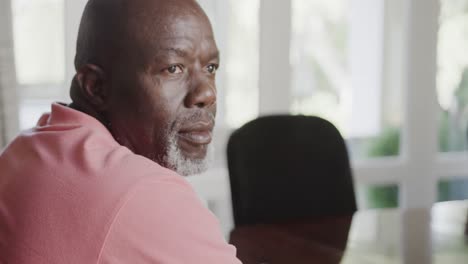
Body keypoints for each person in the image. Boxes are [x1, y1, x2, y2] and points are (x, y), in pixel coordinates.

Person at [0, 0, 242, 263]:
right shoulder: (147, 193)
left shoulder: (20, 152)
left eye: (210, 68)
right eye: (173, 68)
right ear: (96, 87)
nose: (207, 93)